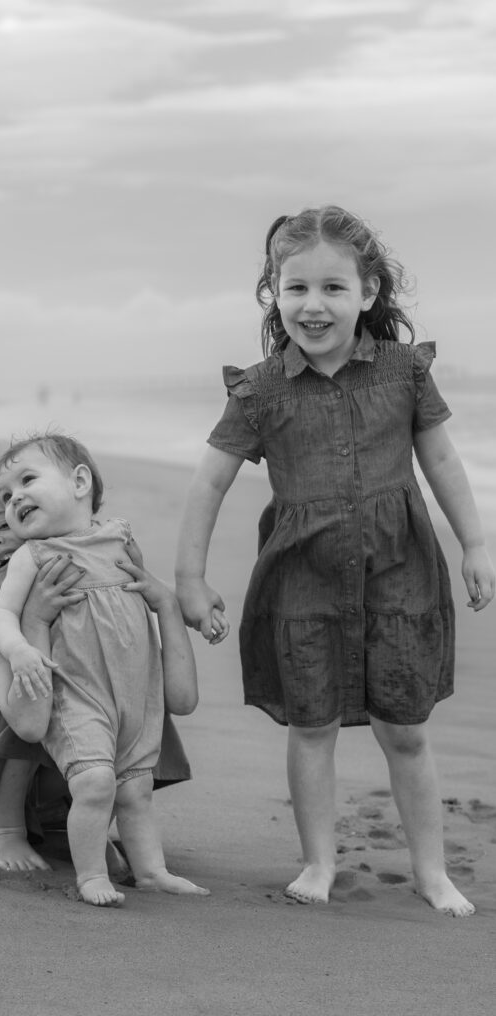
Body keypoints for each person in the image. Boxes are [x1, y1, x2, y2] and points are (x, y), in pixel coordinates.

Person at [175, 205, 495, 917]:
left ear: (368, 293)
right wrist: (190, 579)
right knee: (310, 722)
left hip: (399, 571)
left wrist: (474, 544)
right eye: (295, 289)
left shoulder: (404, 373)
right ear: (272, 293)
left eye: (331, 288)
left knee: (406, 727)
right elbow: (209, 483)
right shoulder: (258, 392)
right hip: (303, 578)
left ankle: (432, 872)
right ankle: (318, 862)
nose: (312, 306)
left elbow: (439, 458)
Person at [0, 481, 193, 875]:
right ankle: (6, 829)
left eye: (4, 527)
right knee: (28, 686)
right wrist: (36, 619)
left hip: (70, 762)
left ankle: (90, 825)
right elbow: (23, 720)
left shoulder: (90, 595)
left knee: (125, 684)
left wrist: (187, 602)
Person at [0, 434, 209, 906]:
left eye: (27, 480)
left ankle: (151, 870)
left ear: (80, 482)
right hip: (77, 693)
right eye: (5, 496)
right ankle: (91, 876)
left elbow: (147, 594)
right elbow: (2, 615)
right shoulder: (34, 556)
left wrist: (188, 609)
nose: (15, 499)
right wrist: (18, 651)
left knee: (136, 790)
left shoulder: (120, 538)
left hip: (135, 694)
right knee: (94, 782)